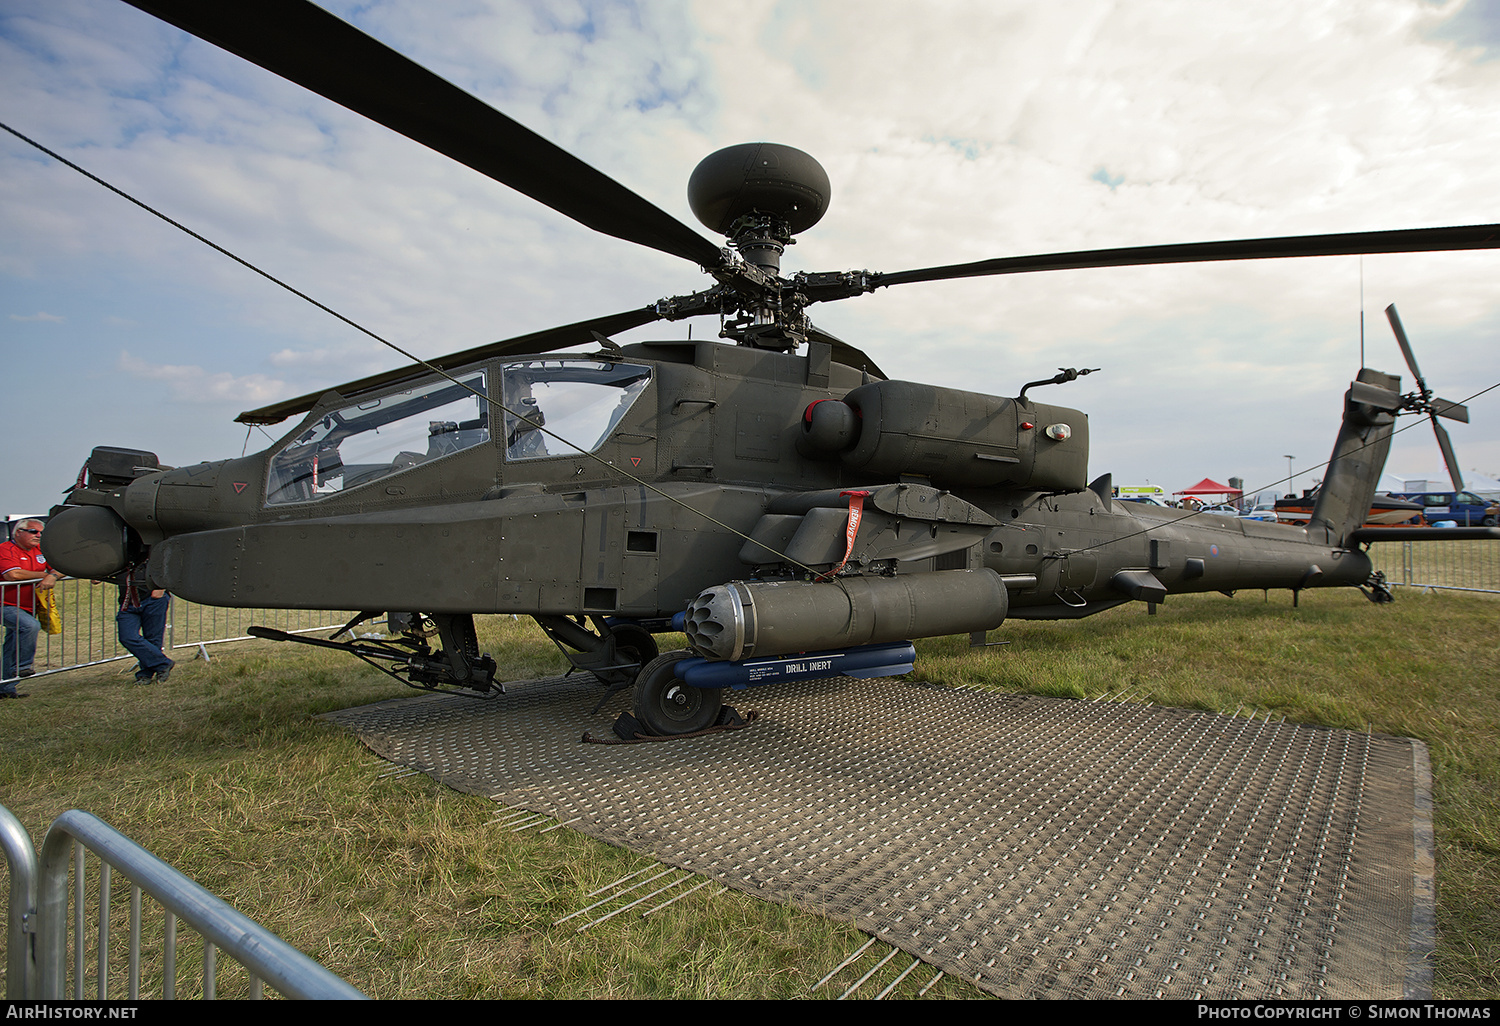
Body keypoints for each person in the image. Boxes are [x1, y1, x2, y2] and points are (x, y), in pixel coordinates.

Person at [1, 519, 60, 697]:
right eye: (33, 531)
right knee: (29, 626)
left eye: (41, 532)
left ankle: (6, 688)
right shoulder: (5, 549)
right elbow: (13, 574)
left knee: (12, 646)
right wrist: (45, 574)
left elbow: (60, 567)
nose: (39, 535)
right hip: (5, 605)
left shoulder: (40, 550)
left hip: (28, 605)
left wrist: (53, 576)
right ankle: (24, 666)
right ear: (18, 532)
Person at [116, 563, 173, 684]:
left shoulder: (151, 546)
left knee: (153, 638)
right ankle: (163, 663)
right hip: (128, 602)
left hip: (153, 599)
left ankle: (145, 675)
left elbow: (170, 562)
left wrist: (160, 587)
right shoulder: (117, 551)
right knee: (127, 637)